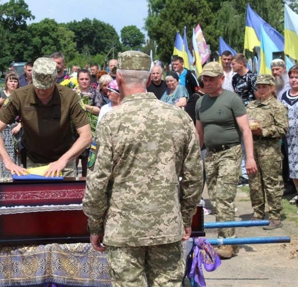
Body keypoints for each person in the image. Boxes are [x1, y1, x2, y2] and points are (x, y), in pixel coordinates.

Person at [83, 51, 203, 287]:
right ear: (149, 80)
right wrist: (186, 216)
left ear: (118, 79)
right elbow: (194, 176)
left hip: (123, 230)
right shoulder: (179, 118)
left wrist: (95, 224)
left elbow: (97, 180)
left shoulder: (111, 121)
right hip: (166, 226)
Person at [0, 57, 92, 177]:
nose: (42, 91)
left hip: (64, 164)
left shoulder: (70, 97)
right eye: (38, 87)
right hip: (33, 164)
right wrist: (8, 161)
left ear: (55, 80)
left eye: (46, 87)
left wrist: (63, 161)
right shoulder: (20, 96)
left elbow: (86, 135)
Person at [195, 62, 257, 259]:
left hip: (230, 152)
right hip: (211, 155)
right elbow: (199, 133)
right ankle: (228, 239)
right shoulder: (200, 102)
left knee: (224, 197)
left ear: (221, 79)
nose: (208, 82)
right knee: (214, 197)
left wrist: (250, 159)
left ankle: (227, 242)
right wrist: (194, 157)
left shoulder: (232, 99)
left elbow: (246, 130)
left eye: (212, 78)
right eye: (205, 79)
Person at [246, 74, 288, 229]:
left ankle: (275, 216)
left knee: (272, 184)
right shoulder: (251, 106)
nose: (261, 90)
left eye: (264, 87)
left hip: (270, 149)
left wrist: (263, 131)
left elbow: (282, 128)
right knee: (255, 183)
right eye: (259, 87)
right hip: (253, 149)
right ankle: (258, 213)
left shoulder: (277, 106)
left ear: (272, 88)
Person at [232, 54, 258, 187]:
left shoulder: (252, 77)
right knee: (241, 143)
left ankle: (252, 171)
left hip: (251, 113)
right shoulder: (235, 78)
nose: (232, 66)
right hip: (238, 113)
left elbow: (257, 96)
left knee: (250, 141)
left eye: (234, 64)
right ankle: (243, 174)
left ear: (241, 64)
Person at [0, 70, 22, 177]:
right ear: (6, 82)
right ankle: (7, 177)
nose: (13, 83)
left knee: (19, 155)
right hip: (3, 129)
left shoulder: (21, 94)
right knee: (5, 154)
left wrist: (20, 125)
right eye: (11, 81)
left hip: (18, 128)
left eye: (15, 81)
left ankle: (20, 177)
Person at [281, 65, 298, 198]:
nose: (294, 80)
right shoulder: (284, 96)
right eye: (291, 77)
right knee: (293, 170)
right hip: (289, 139)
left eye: (297, 77)